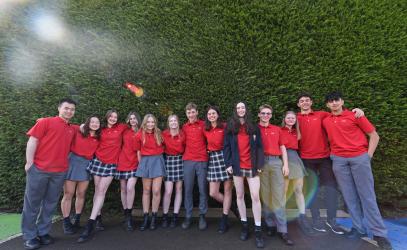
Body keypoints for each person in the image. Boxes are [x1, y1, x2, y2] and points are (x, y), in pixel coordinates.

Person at [323, 92, 392, 250]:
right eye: (330, 101)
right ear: (327, 105)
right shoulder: (325, 119)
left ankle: (379, 234)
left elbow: (374, 135)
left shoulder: (355, 115)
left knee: (367, 196)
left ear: (342, 101)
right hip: (339, 161)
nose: (334, 103)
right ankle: (358, 229)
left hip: (359, 159)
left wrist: (368, 156)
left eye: (336, 100)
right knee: (349, 196)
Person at [296, 93, 363, 234]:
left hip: (325, 158)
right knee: (312, 191)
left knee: (331, 189)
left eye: (307, 100)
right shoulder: (295, 118)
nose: (305, 103)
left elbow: (339, 113)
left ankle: (331, 220)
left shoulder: (322, 115)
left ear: (311, 102)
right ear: (298, 104)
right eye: (302, 101)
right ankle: (316, 220)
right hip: (306, 159)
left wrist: (356, 111)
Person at [22, 98, 76, 250]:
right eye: (66, 108)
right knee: (32, 204)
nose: (69, 111)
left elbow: (87, 127)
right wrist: (29, 163)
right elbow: (32, 141)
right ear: (59, 108)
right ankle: (30, 236)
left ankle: (43, 232)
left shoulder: (72, 128)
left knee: (50, 204)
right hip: (39, 170)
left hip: (59, 172)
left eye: (72, 109)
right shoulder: (45, 122)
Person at [78, 110, 127, 243]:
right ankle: (98, 218)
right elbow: (86, 127)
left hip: (111, 164)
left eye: (115, 117)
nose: (113, 118)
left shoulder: (121, 128)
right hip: (98, 162)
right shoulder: (101, 129)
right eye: (111, 116)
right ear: (107, 118)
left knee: (101, 191)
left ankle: (90, 223)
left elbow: (134, 125)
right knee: (97, 190)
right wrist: (82, 125)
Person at [224, 102, 265, 248]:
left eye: (243, 107)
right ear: (235, 110)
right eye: (238, 108)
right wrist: (228, 164)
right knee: (239, 196)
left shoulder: (253, 127)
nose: (240, 110)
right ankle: (245, 226)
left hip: (252, 166)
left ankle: (258, 230)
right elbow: (226, 147)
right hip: (236, 166)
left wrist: (260, 165)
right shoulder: (230, 127)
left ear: (246, 110)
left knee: (255, 196)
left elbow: (260, 147)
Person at [257, 105, 294, 246]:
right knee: (265, 196)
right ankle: (270, 224)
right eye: (263, 113)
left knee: (278, 196)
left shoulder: (277, 129)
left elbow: (282, 147)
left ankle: (282, 230)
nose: (266, 115)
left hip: (276, 162)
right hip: (261, 164)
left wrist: (285, 165)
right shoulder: (254, 129)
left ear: (271, 115)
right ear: (259, 115)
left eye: (268, 113)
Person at [61, 116, 101, 235]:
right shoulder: (78, 129)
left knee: (81, 193)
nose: (94, 124)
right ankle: (66, 222)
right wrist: (44, 120)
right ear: (87, 123)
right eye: (92, 122)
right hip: (73, 162)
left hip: (87, 165)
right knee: (68, 193)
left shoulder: (99, 137)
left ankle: (77, 219)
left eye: (97, 122)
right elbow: (63, 125)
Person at [280, 111, 312, 235]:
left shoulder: (296, 132)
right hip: (284, 160)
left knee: (299, 191)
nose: (290, 119)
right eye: (288, 117)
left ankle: (302, 218)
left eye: (293, 118)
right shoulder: (279, 130)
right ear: (284, 119)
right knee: (283, 192)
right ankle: (281, 219)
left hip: (295, 159)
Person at [203, 106, 234, 233]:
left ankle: (224, 219)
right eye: (209, 114)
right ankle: (233, 206)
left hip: (225, 157)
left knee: (227, 190)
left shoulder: (225, 126)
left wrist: (231, 161)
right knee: (213, 193)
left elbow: (232, 143)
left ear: (218, 115)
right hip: (213, 159)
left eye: (213, 113)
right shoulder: (206, 129)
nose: (211, 115)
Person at [135, 114, 166, 231]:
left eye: (152, 122)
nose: (150, 124)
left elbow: (164, 147)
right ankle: (146, 217)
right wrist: (141, 165)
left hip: (158, 161)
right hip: (145, 162)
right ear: (144, 122)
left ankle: (154, 217)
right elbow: (138, 151)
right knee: (146, 190)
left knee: (156, 191)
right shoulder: (139, 134)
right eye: (148, 122)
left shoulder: (158, 133)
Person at [181, 103, 209, 230]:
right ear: (186, 114)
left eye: (193, 112)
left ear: (197, 112)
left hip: (202, 160)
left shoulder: (204, 124)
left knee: (203, 189)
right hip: (188, 161)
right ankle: (188, 215)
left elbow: (210, 138)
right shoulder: (184, 127)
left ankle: (202, 215)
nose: (191, 115)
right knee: (188, 189)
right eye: (188, 113)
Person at [115, 112, 141, 231]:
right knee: (124, 188)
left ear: (138, 119)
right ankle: (126, 214)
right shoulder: (124, 130)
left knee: (130, 188)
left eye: (134, 118)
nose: (132, 120)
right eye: (130, 118)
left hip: (135, 162)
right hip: (123, 160)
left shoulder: (142, 130)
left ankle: (130, 214)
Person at [161, 115, 185, 228]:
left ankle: (175, 216)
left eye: (175, 120)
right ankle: (165, 216)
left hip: (180, 161)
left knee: (179, 189)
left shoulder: (182, 134)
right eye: (171, 121)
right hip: (169, 161)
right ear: (168, 123)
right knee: (168, 191)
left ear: (178, 122)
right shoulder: (164, 134)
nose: (173, 122)